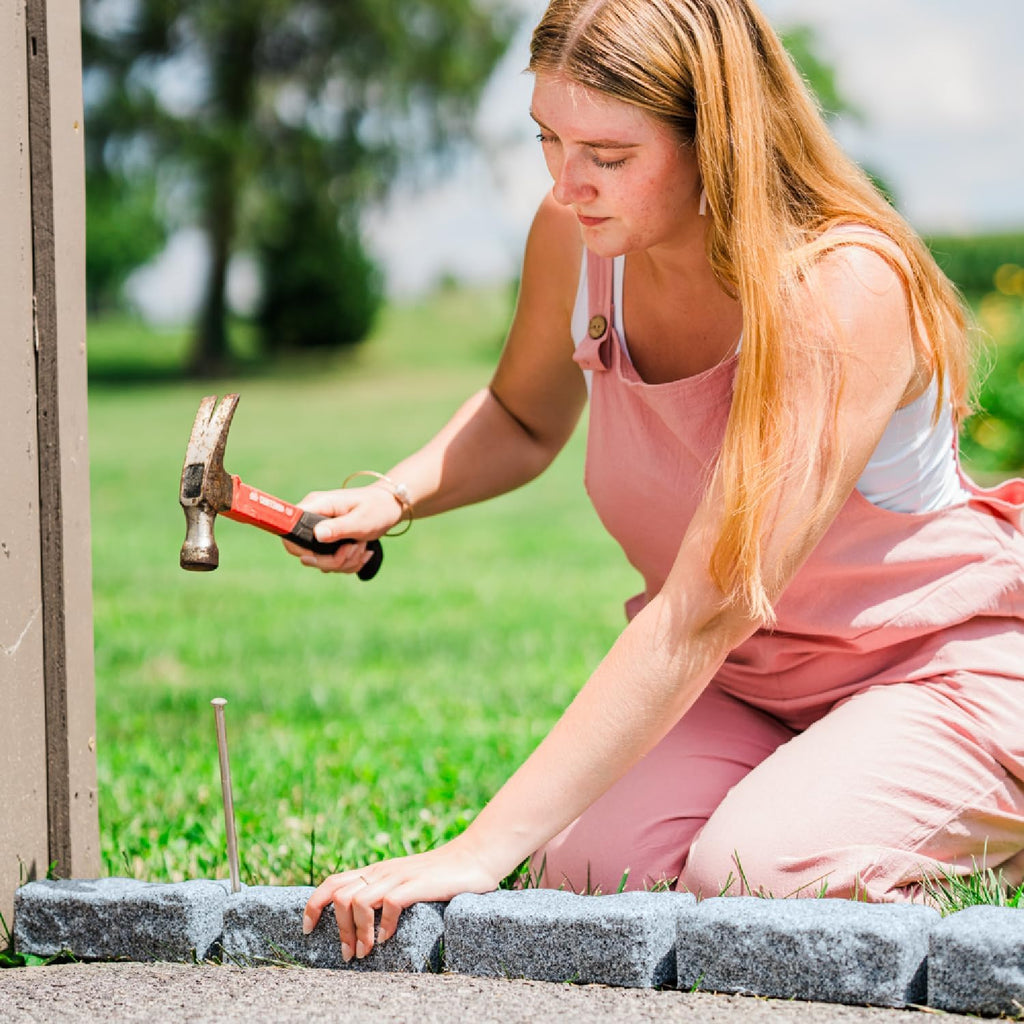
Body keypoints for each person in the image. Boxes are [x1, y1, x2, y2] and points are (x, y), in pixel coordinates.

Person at [286, 0, 1024, 964]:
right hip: (750, 679)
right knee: (595, 870)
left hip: (931, 666)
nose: (567, 181)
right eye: (547, 138)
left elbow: (705, 604)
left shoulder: (843, 285)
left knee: (756, 876)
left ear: (718, 138)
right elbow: (522, 415)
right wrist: (396, 493)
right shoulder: (579, 239)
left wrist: (477, 850)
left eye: (608, 153)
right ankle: (820, 784)